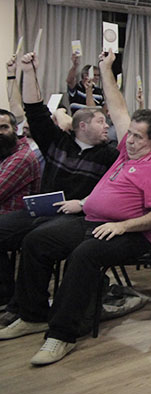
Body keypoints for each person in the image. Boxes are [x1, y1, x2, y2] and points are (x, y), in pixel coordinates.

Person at [0, 52, 151, 367]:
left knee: (84, 255)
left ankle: (61, 335)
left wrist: (123, 226)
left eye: (138, 138)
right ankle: (33, 314)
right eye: (130, 135)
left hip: (132, 233)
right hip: (95, 220)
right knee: (37, 241)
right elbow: (118, 107)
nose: (129, 141)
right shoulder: (126, 152)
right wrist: (107, 69)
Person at [0, 51, 117, 316]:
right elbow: (35, 111)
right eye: (100, 121)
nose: (107, 126)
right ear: (82, 126)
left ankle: (30, 310)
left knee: (35, 240)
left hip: (79, 217)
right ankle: (7, 295)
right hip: (42, 211)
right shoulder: (58, 143)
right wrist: (29, 73)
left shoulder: (110, 155)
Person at [0, 109, 41, 214]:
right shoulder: (4, 150)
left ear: (15, 128)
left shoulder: (22, 158)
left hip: (10, 217)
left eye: (4, 127)